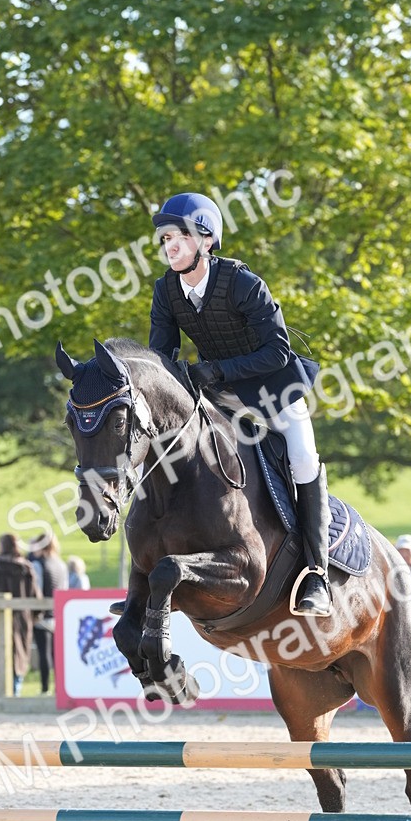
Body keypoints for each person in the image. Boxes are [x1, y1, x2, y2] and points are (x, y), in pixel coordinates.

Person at [148, 191, 330, 616]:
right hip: (220, 394)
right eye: (164, 239)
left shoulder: (244, 284)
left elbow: (277, 353)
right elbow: (162, 357)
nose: (169, 246)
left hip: (273, 388)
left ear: (206, 242)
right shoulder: (166, 291)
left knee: (303, 458)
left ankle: (317, 573)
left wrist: (217, 371)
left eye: (178, 236)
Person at [0, 534, 39, 695]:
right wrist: (35, 616)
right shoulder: (26, 567)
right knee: (20, 656)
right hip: (23, 618)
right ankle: (15, 692)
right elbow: (36, 598)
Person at [29, 534, 69, 695]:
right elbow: (64, 589)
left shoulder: (38, 564)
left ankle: (45, 688)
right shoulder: (61, 564)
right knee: (57, 654)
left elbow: (36, 589)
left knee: (44, 654)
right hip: (58, 615)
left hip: (42, 616)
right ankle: (59, 688)